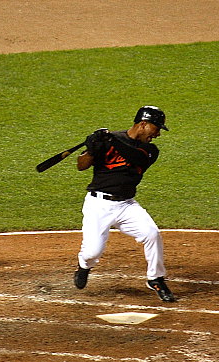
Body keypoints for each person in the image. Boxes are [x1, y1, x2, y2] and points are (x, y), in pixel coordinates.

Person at [73, 106, 175, 302]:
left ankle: (156, 278)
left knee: (152, 234)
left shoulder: (149, 150)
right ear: (143, 124)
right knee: (92, 252)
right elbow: (81, 165)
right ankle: (84, 266)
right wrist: (92, 148)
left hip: (127, 205)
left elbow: (134, 157)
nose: (158, 134)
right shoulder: (109, 141)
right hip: (98, 205)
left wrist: (112, 140)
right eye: (156, 128)